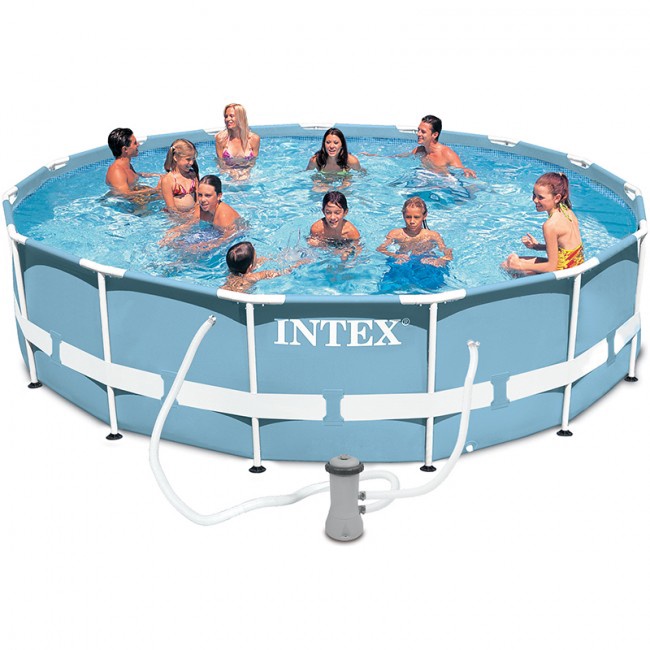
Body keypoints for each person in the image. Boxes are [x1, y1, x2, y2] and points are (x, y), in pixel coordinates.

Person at [502, 172, 584, 274]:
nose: (535, 200)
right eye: (534, 195)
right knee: (508, 264)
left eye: (540, 197)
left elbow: (551, 267)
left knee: (508, 267)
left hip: (564, 274)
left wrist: (520, 266)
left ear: (557, 198)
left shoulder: (550, 225)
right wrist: (537, 246)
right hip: (576, 267)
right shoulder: (567, 211)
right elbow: (565, 248)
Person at [361, 115, 476, 178]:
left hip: (444, 184)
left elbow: (460, 169)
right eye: (418, 130)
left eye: (423, 132)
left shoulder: (446, 153)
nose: (418, 134)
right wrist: (374, 156)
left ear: (435, 135)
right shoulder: (419, 151)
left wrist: (465, 170)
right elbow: (396, 157)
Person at [159, 175, 241, 252]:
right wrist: (173, 232)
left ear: (219, 196)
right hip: (213, 232)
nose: (202, 200)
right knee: (180, 244)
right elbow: (190, 223)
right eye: (200, 195)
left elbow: (226, 240)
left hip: (235, 238)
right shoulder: (201, 208)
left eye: (208, 195)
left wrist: (200, 247)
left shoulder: (223, 216)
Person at [377, 197, 452, 267]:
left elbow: (445, 250)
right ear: (403, 215)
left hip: (426, 261)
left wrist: (442, 259)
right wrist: (395, 256)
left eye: (416, 217)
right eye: (408, 217)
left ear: (424, 216)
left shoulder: (432, 235)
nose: (412, 221)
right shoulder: (395, 234)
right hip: (403, 261)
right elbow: (380, 249)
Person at [222, 241, 310, 292]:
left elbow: (258, 262)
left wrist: (271, 258)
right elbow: (284, 272)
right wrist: (299, 263)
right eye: (255, 257)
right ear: (250, 267)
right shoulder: (253, 277)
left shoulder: (231, 272)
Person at [105, 127, 160, 197]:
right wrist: (156, 189)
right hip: (123, 202)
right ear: (125, 149)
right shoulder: (116, 171)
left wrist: (157, 175)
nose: (138, 144)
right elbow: (125, 194)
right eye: (135, 143)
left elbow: (131, 176)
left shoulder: (126, 165)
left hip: (134, 196)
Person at [308, 190, 361, 260]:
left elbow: (358, 249)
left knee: (344, 256)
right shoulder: (317, 229)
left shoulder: (351, 232)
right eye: (328, 212)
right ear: (323, 211)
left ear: (345, 212)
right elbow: (311, 248)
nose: (332, 217)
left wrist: (348, 254)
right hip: (325, 244)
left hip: (344, 244)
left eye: (337, 213)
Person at [215, 103, 260, 180]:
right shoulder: (221, 138)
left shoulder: (254, 139)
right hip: (228, 176)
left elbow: (253, 162)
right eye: (226, 116)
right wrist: (232, 173)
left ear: (240, 118)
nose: (228, 119)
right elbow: (221, 163)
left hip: (246, 175)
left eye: (231, 116)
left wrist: (245, 172)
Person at [160, 139, 199, 213]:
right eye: (188, 159)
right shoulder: (168, 180)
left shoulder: (192, 175)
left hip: (193, 213)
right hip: (177, 216)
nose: (191, 163)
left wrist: (195, 212)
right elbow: (171, 208)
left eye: (193, 159)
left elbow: (198, 200)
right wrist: (185, 217)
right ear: (175, 157)